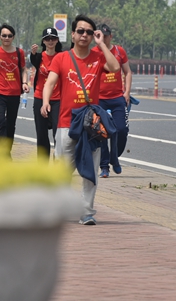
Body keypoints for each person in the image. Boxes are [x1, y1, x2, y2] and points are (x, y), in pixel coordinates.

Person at [40, 14, 120, 226]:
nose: (85, 35)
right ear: (73, 34)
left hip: (91, 125)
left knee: (90, 171)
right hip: (66, 123)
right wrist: (45, 102)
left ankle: (86, 213)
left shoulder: (98, 57)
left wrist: (101, 44)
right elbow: (50, 83)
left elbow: (115, 68)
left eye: (89, 32)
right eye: (81, 31)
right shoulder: (61, 58)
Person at [0, 24, 28, 157]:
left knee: (10, 124)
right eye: (4, 35)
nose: (7, 38)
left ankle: (7, 150)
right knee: (1, 121)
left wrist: (25, 83)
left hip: (14, 94)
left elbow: (23, 70)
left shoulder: (19, 52)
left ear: (13, 37)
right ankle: (3, 153)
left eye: (9, 36)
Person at [94, 24, 131, 178]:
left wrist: (127, 92)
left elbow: (127, 72)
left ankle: (114, 158)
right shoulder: (93, 53)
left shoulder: (119, 51)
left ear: (111, 36)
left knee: (121, 130)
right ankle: (104, 167)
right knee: (103, 132)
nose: (104, 38)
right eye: (101, 36)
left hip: (117, 98)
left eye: (106, 35)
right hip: (100, 99)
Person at [29, 27, 62, 162]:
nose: (50, 41)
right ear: (43, 41)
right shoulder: (39, 57)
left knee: (58, 134)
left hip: (58, 99)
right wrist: (33, 53)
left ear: (57, 40)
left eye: (53, 38)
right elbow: (33, 61)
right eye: (47, 39)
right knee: (41, 134)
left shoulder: (62, 57)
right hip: (40, 98)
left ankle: (58, 162)